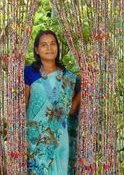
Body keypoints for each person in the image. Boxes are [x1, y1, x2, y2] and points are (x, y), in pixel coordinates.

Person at [24, 30, 80, 174]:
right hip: (35, 139)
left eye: (53, 44)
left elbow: (70, 110)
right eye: (44, 45)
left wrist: (83, 91)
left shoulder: (68, 77)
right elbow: (21, 105)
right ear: (37, 50)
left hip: (59, 138)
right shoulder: (28, 73)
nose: (49, 48)